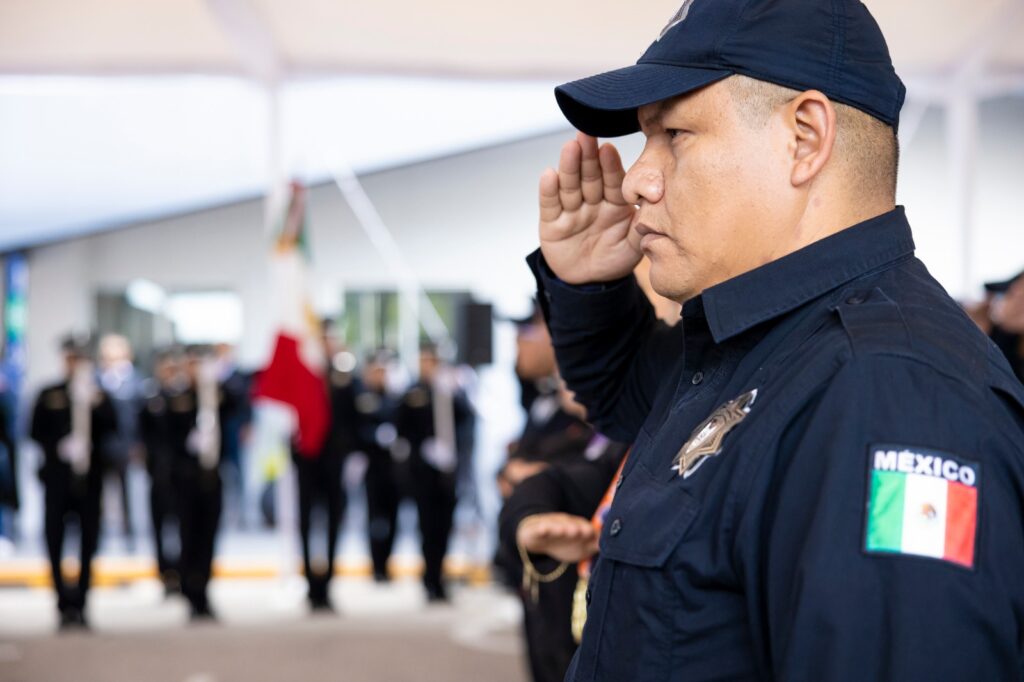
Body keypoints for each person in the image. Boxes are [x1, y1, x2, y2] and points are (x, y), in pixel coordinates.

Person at [529, 0, 1024, 679]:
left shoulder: (888, 394)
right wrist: (589, 290)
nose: (639, 178)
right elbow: (638, 404)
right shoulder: (768, 338)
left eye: (674, 133)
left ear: (804, 138)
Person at [29, 334, 117, 629]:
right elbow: (34, 431)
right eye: (71, 358)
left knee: (89, 541)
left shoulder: (98, 395)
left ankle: (81, 601)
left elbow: (114, 429)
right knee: (55, 540)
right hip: (57, 480)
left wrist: (95, 405)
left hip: (90, 481)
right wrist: (58, 446)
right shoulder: (49, 393)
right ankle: (61, 602)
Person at [395, 344, 475, 602]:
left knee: (445, 525)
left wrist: (454, 391)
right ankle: (430, 579)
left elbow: (467, 420)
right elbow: (402, 427)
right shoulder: (413, 392)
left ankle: (441, 576)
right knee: (427, 526)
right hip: (424, 471)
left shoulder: (450, 390)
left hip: (448, 472)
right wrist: (423, 448)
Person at [164, 345, 232, 620]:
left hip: (212, 477)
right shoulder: (176, 396)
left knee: (209, 537)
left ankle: (204, 591)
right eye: (192, 364)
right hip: (186, 478)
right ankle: (190, 593)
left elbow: (238, 401)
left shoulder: (216, 395)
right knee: (188, 536)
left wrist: (213, 383)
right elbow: (165, 437)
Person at [292, 323, 353, 611]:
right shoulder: (304, 375)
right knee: (305, 522)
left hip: (333, 460)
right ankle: (310, 585)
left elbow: (352, 418)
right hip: (307, 460)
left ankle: (327, 584)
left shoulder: (343, 375)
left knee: (332, 521)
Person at [138, 347, 187, 594]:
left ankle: (182, 571)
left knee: (182, 526)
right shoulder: (149, 397)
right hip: (157, 472)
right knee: (158, 526)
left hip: (181, 474)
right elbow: (141, 433)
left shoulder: (184, 397)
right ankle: (165, 573)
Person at [354, 350, 400, 582]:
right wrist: (373, 436)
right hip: (371, 465)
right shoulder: (362, 396)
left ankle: (387, 562)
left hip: (393, 467)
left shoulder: (394, 397)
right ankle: (376, 565)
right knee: (374, 518)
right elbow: (355, 428)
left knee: (393, 517)